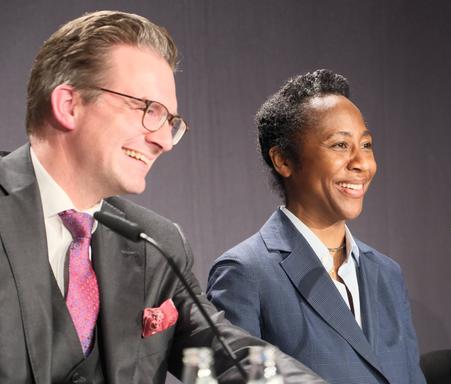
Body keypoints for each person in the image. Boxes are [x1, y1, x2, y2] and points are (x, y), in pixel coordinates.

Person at [0, 11, 326, 384]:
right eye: (148, 110)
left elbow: (227, 350)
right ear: (69, 105)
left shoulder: (154, 243)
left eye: (170, 121)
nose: (165, 141)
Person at [207, 69, 426, 384]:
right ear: (283, 161)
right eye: (340, 145)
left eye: (366, 145)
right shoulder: (246, 272)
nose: (361, 163)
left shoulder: (387, 274)